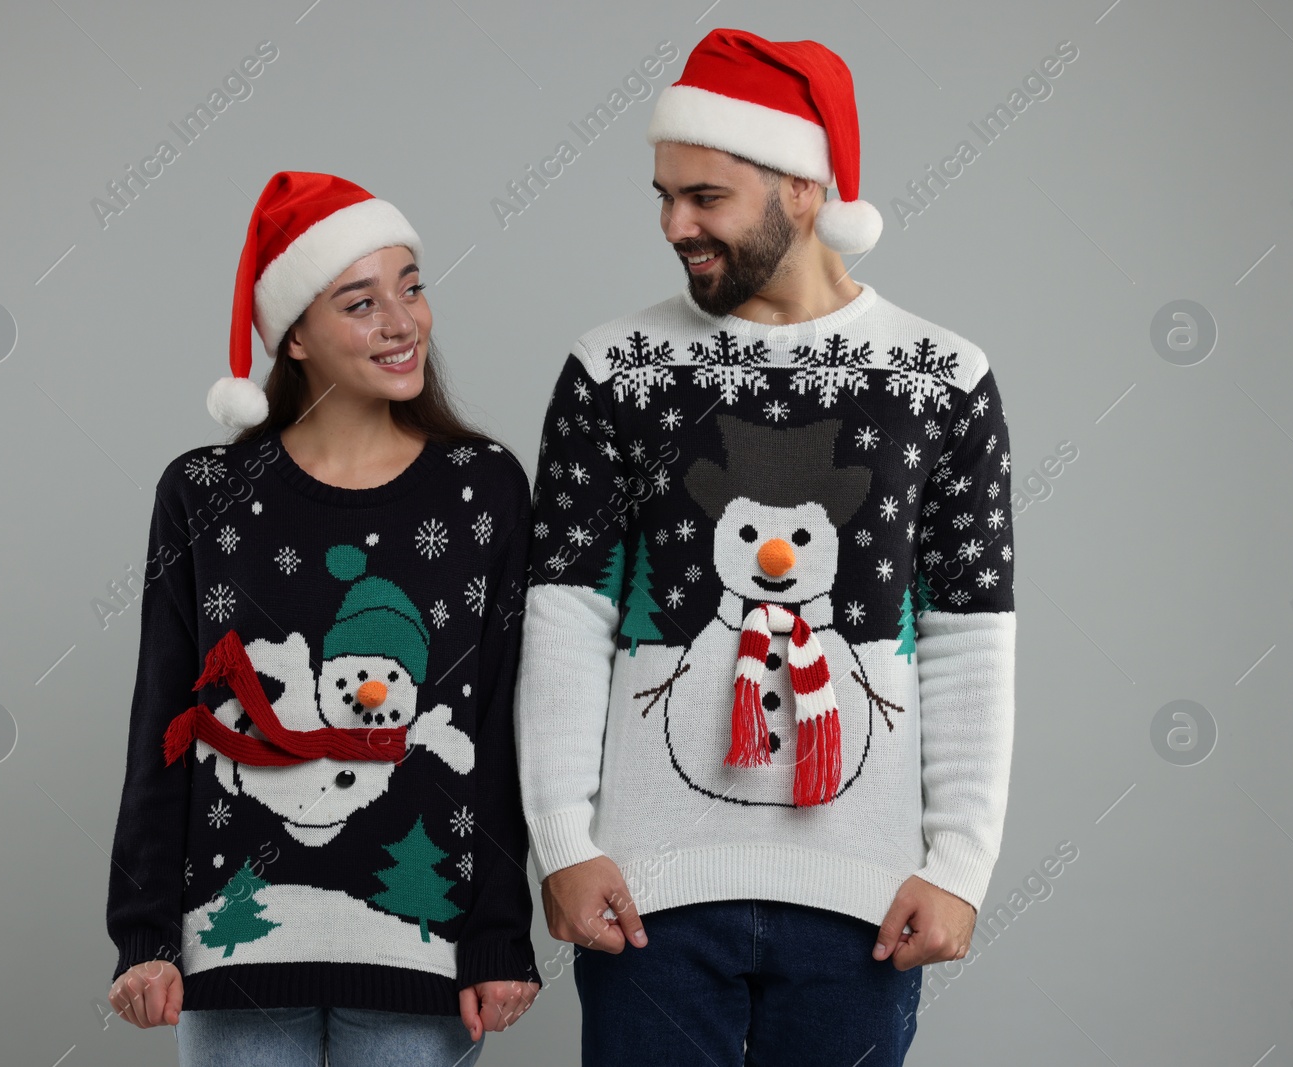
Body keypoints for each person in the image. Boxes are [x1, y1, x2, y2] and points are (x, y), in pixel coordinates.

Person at [514, 29, 1016, 1066]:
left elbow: (970, 632)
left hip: (865, 904)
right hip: (644, 896)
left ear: (801, 185)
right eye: (662, 195)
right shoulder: (614, 368)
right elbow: (565, 612)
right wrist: (564, 842)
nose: (673, 225)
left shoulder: (941, 376)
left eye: (704, 197)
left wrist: (960, 864)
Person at [104, 171, 541, 1066]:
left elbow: (498, 724)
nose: (402, 321)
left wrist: (500, 931)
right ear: (294, 332)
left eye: (412, 287)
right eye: (361, 301)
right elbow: (164, 721)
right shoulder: (204, 494)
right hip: (235, 949)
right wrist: (145, 930)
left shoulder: (484, 488)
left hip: (422, 950)